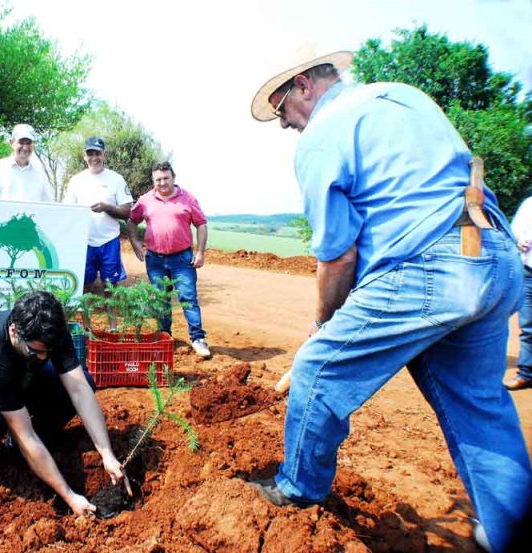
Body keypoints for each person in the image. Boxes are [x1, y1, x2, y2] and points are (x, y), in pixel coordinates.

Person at [247, 45, 531, 553]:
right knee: (479, 406)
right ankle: (511, 533)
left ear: (304, 86)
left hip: (432, 264)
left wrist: (322, 324)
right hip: (492, 251)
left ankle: (297, 489)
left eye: (281, 110)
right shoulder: (403, 96)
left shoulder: (320, 137)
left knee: (317, 368)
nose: (284, 124)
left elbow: (338, 255)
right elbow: (452, 175)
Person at [0, 291, 130, 515]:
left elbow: (78, 389)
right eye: (35, 351)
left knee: (81, 381)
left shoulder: (50, 331)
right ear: (14, 331)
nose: (44, 358)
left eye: (49, 352)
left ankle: (32, 445)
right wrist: (70, 496)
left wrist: (107, 455)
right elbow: (24, 434)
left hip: (18, 379)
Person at [127, 162, 211, 358]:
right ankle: (165, 337)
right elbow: (131, 220)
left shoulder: (188, 198)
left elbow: (201, 224)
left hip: (182, 259)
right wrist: (135, 242)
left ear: (173, 178)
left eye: (166, 178)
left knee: (188, 298)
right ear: (153, 181)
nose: (162, 183)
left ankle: (198, 339)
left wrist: (200, 252)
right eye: (158, 179)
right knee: (161, 300)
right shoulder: (145, 200)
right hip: (155, 260)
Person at [63, 137, 133, 327]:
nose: (94, 157)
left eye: (97, 153)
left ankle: (112, 327)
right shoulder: (76, 180)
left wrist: (107, 207)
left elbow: (127, 210)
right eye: (90, 153)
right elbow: (67, 211)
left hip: (109, 240)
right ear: (84, 156)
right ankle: (86, 327)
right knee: (85, 286)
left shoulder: (116, 179)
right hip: (84, 241)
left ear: (105, 155)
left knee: (111, 286)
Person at [0, 123, 53, 202]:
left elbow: (48, 204)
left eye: (29, 143)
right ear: (12, 143)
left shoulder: (40, 173)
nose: (25, 148)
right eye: (21, 142)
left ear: (34, 144)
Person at [508, 196, 532, 390]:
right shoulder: (529, 204)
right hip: (529, 272)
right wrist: (519, 240)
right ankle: (526, 374)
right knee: (528, 326)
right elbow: (513, 231)